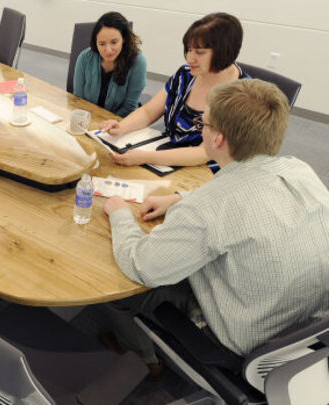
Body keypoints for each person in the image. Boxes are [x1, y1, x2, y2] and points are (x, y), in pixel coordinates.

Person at [101, 79, 329, 375]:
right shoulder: (299, 169)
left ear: (218, 138)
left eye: (203, 123)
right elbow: (247, 197)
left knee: (118, 291)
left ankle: (146, 362)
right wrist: (181, 198)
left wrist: (119, 213)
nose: (200, 128)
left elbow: (140, 264)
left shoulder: (208, 207)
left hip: (243, 343)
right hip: (306, 333)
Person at [100, 13, 249, 168]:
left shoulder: (241, 96)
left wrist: (146, 157)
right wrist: (121, 127)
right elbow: (148, 112)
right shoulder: (186, 75)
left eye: (199, 52)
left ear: (224, 52)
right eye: (189, 50)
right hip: (166, 157)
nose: (190, 58)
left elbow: (204, 152)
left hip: (207, 172)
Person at [73, 12, 146, 117]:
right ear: (96, 42)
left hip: (119, 122)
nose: (108, 50)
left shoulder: (138, 62)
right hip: (88, 118)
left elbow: (129, 107)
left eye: (114, 42)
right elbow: (78, 98)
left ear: (123, 39)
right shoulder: (85, 58)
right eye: (102, 44)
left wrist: (105, 124)